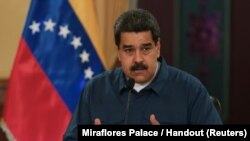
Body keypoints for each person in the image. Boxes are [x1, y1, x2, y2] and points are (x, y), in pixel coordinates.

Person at [63, 8, 222, 139]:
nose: (138, 59)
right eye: (129, 50)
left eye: (146, 49)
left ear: (157, 47)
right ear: (118, 52)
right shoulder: (95, 90)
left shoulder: (191, 90)